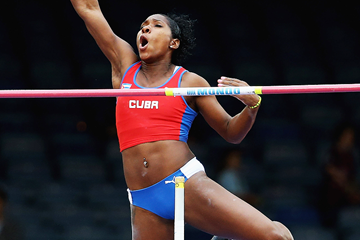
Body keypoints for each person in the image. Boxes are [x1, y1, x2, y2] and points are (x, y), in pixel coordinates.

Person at [70, 1, 293, 239]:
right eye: (143, 26)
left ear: (173, 43)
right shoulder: (125, 66)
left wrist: (252, 105)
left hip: (183, 183)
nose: (145, 29)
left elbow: (231, 132)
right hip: (142, 199)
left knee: (276, 237)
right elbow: (89, 9)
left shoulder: (189, 82)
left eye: (156, 26)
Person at [319, 122, 360, 228]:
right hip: (330, 199)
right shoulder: (331, 152)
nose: (349, 139)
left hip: (348, 199)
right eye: (347, 136)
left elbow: (352, 178)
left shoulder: (351, 157)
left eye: (351, 137)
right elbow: (331, 171)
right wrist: (348, 188)